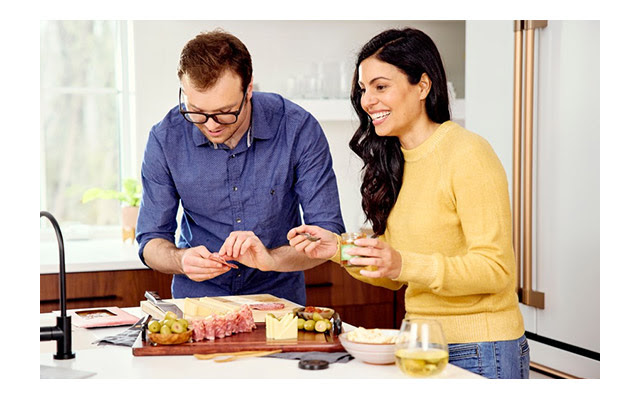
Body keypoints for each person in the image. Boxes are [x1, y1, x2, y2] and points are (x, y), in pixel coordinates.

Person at [284, 28, 529, 378]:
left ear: (423, 86)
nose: (367, 100)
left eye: (380, 86)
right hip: (417, 343)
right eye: (364, 89)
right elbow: (394, 274)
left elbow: (496, 270)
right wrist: (336, 249)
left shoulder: (467, 153)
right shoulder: (395, 160)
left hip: (481, 349)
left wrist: (403, 263)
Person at [136, 29, 345, 306]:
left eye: (224, 112)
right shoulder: (166, 138)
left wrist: (270, 259)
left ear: (248, 91)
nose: (210, 125)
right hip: (200, 305)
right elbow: (151, 241)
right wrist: (181, 259)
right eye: (196, 111)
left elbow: (327, 236)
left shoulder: (297, 129)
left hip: (278, 304)